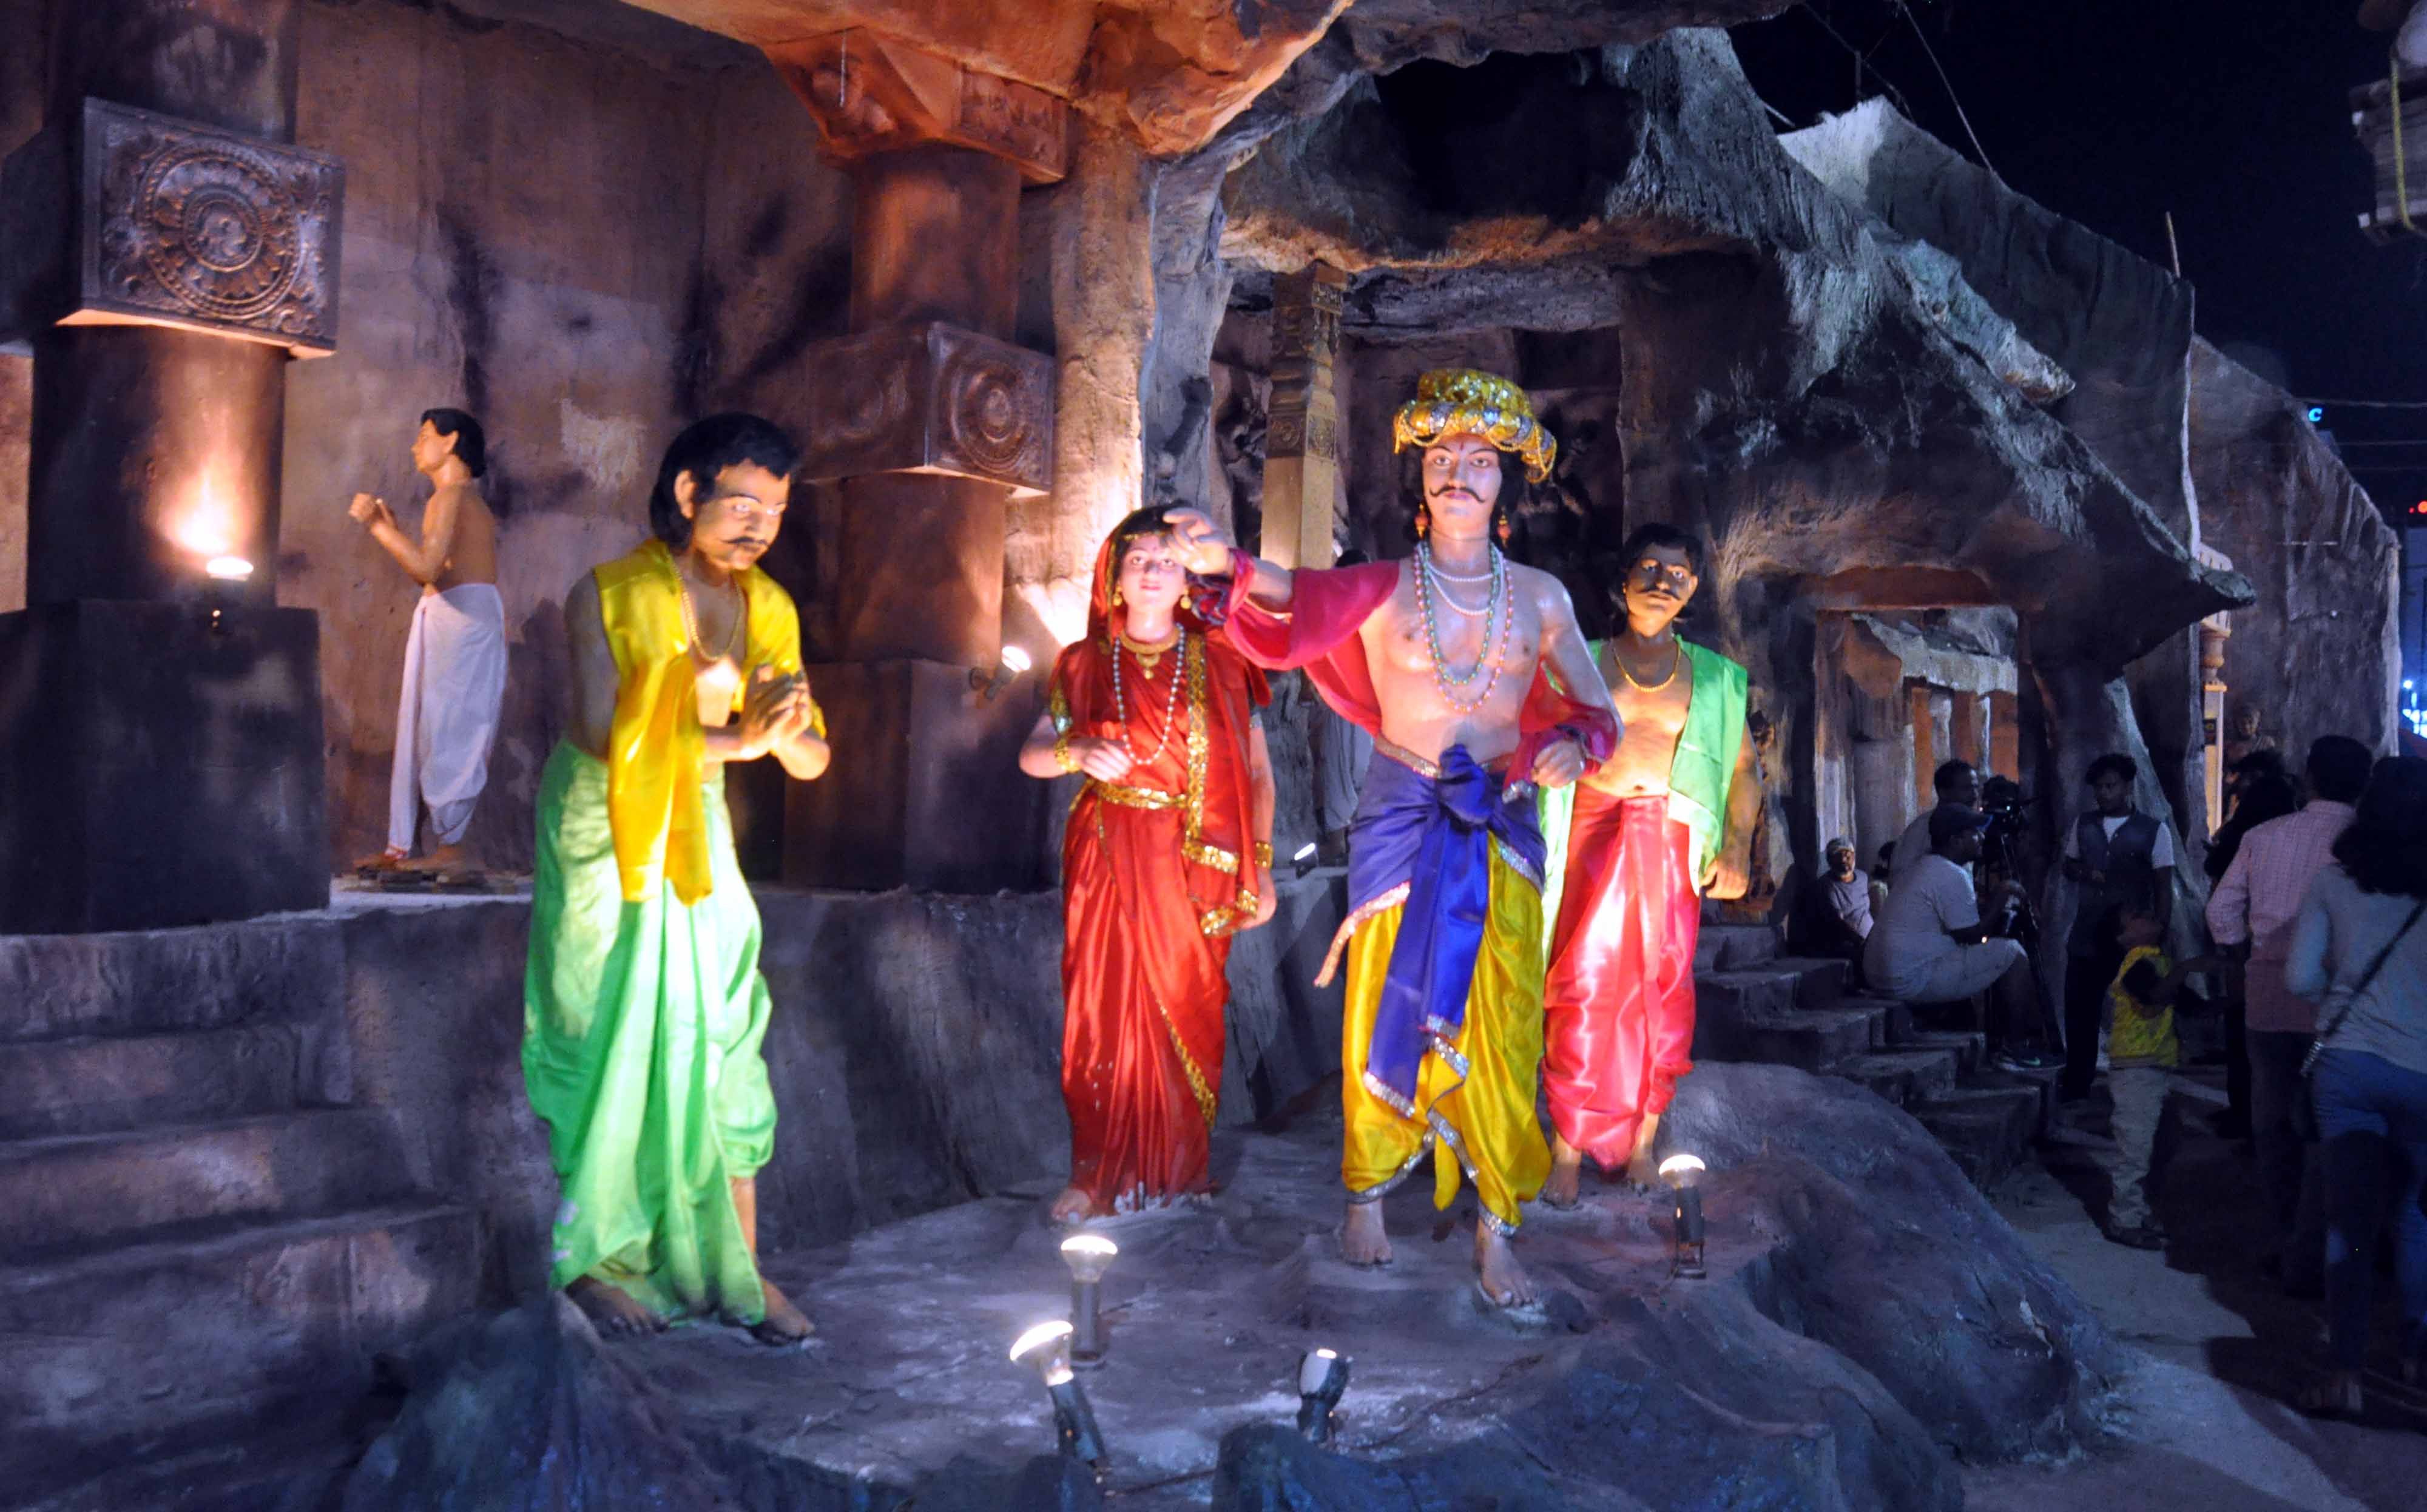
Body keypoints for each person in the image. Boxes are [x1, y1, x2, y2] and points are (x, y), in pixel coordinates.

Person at [1163, 367, 1619, 1308]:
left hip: (1500, 818)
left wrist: (1574, 745)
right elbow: (1296, 598)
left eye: (1480, 460)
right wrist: (1227, 565)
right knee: (1381, 1000)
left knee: (1505, 1020)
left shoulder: (1542, 597)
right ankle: (1366, 1192)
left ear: (1504, 481)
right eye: (1442, 457)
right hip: (1401, 812)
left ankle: (1497, 1224)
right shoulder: (1381, 587)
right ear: (1420, 476)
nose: (1458, 473)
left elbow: (1597, 711)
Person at [522, 414, 827, 1345]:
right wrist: (743, 741)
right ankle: (591, 1262)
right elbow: (597, 729)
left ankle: (739, 1265)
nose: (759, 527)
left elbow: (811, 755)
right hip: (603, 821)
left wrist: (784, 734)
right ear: (689, 493)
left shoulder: (770, 608)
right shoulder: (607, 593)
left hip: (696, 825)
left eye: (775, 511)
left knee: (726, 1026)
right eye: (742, 504)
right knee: (602, 1027)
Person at [1018, 506, 1277, 1222]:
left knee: (1189, 1009)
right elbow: (1032, 754)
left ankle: (1179, 1169)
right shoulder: (1080, 662)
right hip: (1107, 849)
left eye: (1168, 560)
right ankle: (1092, 1172)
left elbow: (1258, 772)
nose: (1154, 571)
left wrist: (1260, 865)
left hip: (1196, 862)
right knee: (1097, 1013)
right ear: (1115, 578)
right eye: (1139, 561)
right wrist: (1073, 750)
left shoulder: (1225, 658)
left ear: (1189, 577)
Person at [1536, 524, 1758, 1202]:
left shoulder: (1714, 678)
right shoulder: (1579, 660)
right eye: (1650, 568)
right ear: (1624, 579)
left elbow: (1744, 769)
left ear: (1693, 589)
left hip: (1670, 840)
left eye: (1678, 574)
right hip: (1589, 832)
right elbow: (1531, 744)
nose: (1662, 583)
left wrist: (1738, 844)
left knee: (1662, 991)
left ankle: (1642, 1143)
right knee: (1581, 988)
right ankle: (1566, 1149)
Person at [2284, 756, 2427, 1419]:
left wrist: (2341, 1001)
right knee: (2417, 1216)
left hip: (2347, 1066)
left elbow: (2298, 978)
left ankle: (2345, 1371)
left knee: (2350, 1221)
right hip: (2423, 1070)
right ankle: (2416, 1356)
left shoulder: (2333, 882)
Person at [2207, 735, 2372, 1293]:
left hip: (2270, 998)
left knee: (2274, 1127)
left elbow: (2221, 911)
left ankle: (2287, 1240)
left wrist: (2243, 953)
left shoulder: (2264, 836)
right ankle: (2321, 1247)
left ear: (2310, 778)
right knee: (2329, 1134)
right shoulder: (2370, 846)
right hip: (2344, 1009)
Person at [350, 408, 506, 876]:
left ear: (451, 441)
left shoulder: (452, 497)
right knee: (426, 726)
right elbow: (433, 569)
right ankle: (404, 845)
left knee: (450, 728)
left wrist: (379, 528)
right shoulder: (455, 499)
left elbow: (426, 568)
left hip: (462, 619)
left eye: (424, 436)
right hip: (451, 615)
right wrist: (394, 531)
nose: (415, 447)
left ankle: (453, 849)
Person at [2095, 904, 2223, 1250]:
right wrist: (2187, 969)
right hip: (2136, 1069)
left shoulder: (2157, 962)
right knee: (2135, 1150)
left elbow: (2191, 1007)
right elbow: (2154, 998)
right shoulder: (2136, 962)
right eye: (2135, 916)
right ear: (2123, 937)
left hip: (2152, 1068)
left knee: (2161, 1142)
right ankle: (2124, 1219)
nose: (2147, 915)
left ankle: (2138, 1209)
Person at [1865, 807, 2044, 1051]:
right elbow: (1972, 935)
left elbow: (1961, 920)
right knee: (2011, 953)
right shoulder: (1950, 874)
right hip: (1906, 980)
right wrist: (2003, 893)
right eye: (1975, 832)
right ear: (1955, 840)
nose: (1982, 837)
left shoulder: (1925, 866)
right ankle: (2017, 1047)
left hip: (1881, 976)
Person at [2060, 754, 2177, 1100]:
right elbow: (2068, 864)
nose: (2103, 793)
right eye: (2099, 788)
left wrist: (2160, 930)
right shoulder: (2084, 825)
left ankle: (2143, 1083)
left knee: (2140, 1008)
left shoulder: (2154, 830)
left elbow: (2163, 883)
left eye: (2110, 786)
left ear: (2128, 787)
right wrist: (2084, 872)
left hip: (2132, 937)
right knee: (2081, 1010)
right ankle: (2078, 1082)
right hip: (2088, 933)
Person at [2201, 757, 2300, 1140]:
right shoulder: (2294, 841)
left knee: (2241, 1033)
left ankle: (2243, 1114)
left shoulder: (2243, 839)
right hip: (2289, 953)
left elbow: (2220, 901)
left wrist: (2232, 946)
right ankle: (2275, 1124)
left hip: (2244, 949)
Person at [1797, 837, 1873, 985]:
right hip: (1846, 942)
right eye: (1838, 856)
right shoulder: (1826, 886)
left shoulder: (1863, 877)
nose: (1844, 860)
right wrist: (1861, 942)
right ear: (1829, 861)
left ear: (1854, 857)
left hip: (1869, 938)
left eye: (1847, 856)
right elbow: (1836, 923)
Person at [1891, 760, 1979, 880]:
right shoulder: (1922, 829)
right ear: (1943, 793)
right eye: (1966, 789)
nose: (1975, 795)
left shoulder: (1966, 826)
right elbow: (1900, 879)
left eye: (1976, 788)